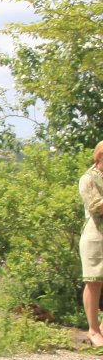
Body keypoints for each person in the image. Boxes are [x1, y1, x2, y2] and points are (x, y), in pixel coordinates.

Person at [81, 141, 103, 347]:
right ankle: (93, 330)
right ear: (100, 156)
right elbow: (96, 206)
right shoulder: (88, 179)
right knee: (94, 281)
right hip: (96, 235)